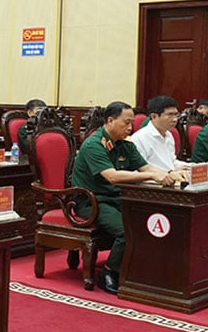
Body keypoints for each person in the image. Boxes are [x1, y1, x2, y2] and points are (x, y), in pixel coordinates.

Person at [72, 101, 183, 293]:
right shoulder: (94, 145)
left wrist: (169, 174)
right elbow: (113, 176)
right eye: (126, 123)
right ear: (110, 120)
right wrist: (151, 176)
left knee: (147, 221)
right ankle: (108, 272)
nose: (130, 128)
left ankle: (136, 269)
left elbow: (146, 167)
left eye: (132, 123)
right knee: (127, 230)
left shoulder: (125, 143)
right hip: (93, 202)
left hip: (119, 198)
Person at [129, 95, 180, 171]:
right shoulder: (140, 138)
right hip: (153, 181)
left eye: (176, 115)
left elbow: (171, 162)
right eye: (170, 115)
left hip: (169, 177)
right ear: (154, 116)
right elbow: (138, 170)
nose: (175, 119)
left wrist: (192, 166)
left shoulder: (168, 135)